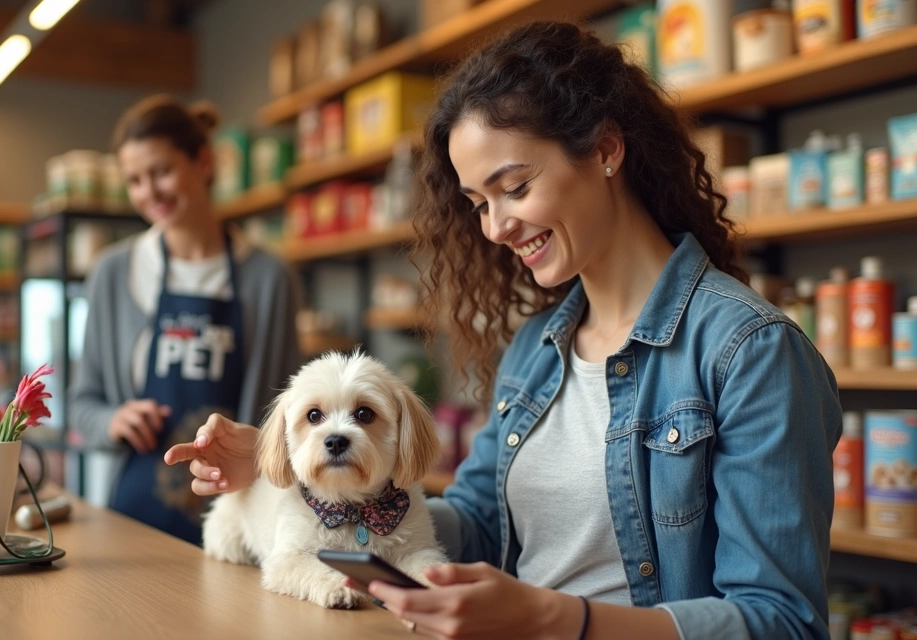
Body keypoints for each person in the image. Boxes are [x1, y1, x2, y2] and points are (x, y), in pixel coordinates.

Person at [166, 21, 842, 639]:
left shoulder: (749, 352)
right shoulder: (536, 350)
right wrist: (313, 481)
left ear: (606, 149)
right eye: (479, 203)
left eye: (514, 188)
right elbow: (477, 523)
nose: (494, 228)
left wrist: (554, 618)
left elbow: (781, 622)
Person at [71, 95, 302, 545]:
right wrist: (113, 420)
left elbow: (291, 411)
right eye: (134, 180)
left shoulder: (270, 278)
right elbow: (82, 403)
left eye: (161, 172)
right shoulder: (112, 273)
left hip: (241, 520)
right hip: (130, 519)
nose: (149, 192)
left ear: (203, 161)